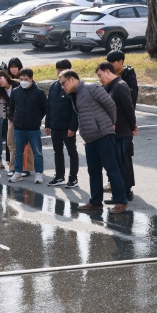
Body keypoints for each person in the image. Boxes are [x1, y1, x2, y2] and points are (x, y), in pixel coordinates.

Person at [59, 69, 128, 213]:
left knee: (112, 169)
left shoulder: (92, 88)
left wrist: (110, 124)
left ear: (72, 79)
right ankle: (96, 201)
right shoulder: (75, 95)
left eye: (63, 83)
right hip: (90, 139)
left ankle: (121, 201)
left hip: (104, 135)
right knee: (94, 171)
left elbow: (111, 105)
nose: (62, 87)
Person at [96, 62, 138, 200]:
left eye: (100, 75)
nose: (100, 79)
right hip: (115, 132)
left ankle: (125, 193)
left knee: (122, 163)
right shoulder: (110, 86)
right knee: (118, 163)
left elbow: (128, 108)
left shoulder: (120, 86)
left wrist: (133, 126)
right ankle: (120, 193)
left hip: (122, 132)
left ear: (108, 71)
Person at [9, 68, 47, 184]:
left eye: (26, 79)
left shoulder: (39, 93)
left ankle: (39, 173)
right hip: (19, 127)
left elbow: (44, 109)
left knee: (37, 152)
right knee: (18, 152)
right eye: (21, 79)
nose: (23, 81)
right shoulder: (15, 92)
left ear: (31, 79)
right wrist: (15, 120)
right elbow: (12, 108)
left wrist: (36, 119)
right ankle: (18, 172)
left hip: (33, 128)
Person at [45, 59, 79, 188]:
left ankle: (73, 178)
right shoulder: (54, 86)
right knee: (57, 151)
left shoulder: (73, 88)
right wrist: (48, 124)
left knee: (72, 152)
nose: (59, 72)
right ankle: (59, 176)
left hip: (67, 127)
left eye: (62, 70)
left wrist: (72, 127)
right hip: (55, 126)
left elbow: (76, 110)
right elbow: (49, 105)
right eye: (58, 70)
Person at [4, 57, 34, 176]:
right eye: (11, 66)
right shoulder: (7, 81)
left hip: (26, 118)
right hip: (13, 116)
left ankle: (26, 168)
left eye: (16, 66)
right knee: (11, 142)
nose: (13, 69)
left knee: (27, 144)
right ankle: (13, 167)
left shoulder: (27, 82)